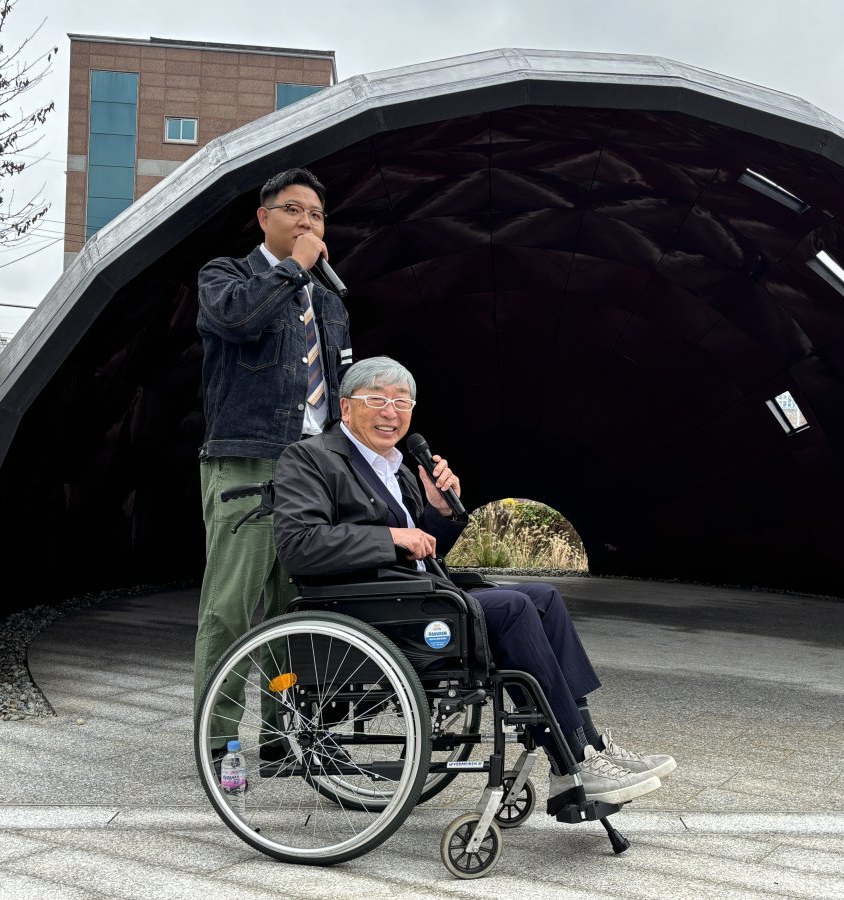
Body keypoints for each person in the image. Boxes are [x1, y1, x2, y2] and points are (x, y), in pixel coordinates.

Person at [272, 356, 676, 807]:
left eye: (402, 402)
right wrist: (390, 535)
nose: (391, 412)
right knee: (514, 608)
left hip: (417, 596)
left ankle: (588, 746)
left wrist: (440, 511)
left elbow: (427, 549)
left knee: (543, 596)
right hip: (370, 607)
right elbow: (300, 544)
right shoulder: (309, 458)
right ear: (346, 408)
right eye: (378, 400)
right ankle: (574, 759)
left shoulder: (401, 467)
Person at [194, 167, 352, 759]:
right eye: (294, 210)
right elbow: (236, 320)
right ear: (264, 218)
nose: (307, 222)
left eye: (316, 214)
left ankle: (286, 737)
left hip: (312, 469)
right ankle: (220, 740)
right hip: (248, 464)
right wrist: (293, 270)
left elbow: (336, 386)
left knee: (298, 608)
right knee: (233, 608)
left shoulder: (329, 298)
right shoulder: (227, 276)